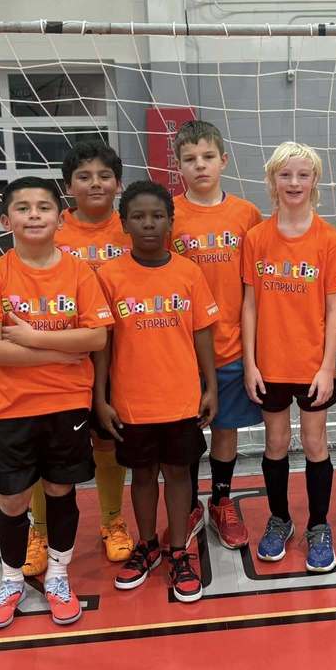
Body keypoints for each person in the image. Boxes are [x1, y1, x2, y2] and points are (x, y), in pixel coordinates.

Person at [0, 176, 113, 629]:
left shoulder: (78, 272)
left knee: (60, 490)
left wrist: (31, 338)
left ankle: (57, 574)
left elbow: (96, 335)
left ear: (59, 217)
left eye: (43, 207)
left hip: (67, 403)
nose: (33, 215)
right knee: (13, 499)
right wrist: (56, 350)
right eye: (23, 207)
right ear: (5, 219)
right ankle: (11, 579)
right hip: (13, 406)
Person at [94, 181, 219, 603]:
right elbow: (103, 345)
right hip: (132, 402)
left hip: (182, 398)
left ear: (170, 221)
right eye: (139, 217)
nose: (149, 224)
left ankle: (179, 549)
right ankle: (147, 544)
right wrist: (100, 397)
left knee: (179, 473)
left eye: (157, 216)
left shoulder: (188, 272)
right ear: (124, 223)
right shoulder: (108, 276)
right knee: (143, 475)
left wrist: (211, 386)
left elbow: (202, 332)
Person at [20, 140, 134, 580]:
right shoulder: (52, 231)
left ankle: (111, 520)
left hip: (121, 357)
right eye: (84, 177)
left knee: (108, 442)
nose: (96, 183)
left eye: (104, 176)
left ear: (118, 184)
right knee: (44, 450)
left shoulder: (132, 226)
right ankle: (40, 530)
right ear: (68, 188)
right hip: (57, 360)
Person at [242, 142, 336, 573]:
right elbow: (249, 303)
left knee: (315, 443)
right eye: (286, 175)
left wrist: (328, 366)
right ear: (271, 181)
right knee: (275, 444)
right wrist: (250, 362)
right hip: (270, 362)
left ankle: (319, 525)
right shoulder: (256, 239)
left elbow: (335, 307)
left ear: (315, 181)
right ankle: (280, 519)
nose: (294, 183)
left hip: (311, 365)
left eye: (303, 175)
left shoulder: (329, 239)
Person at [171, 120, 263, 549]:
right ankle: (188, 502)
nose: (200, 165)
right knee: (187, 435)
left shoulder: (246, 214)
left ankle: (221, 500)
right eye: (190, 159)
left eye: (207, 157)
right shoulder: (169, 215)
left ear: (224, 160)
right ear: (179, 167)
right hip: (179, 350)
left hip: (231, 345)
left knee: (226, 430)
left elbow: (254, 287)